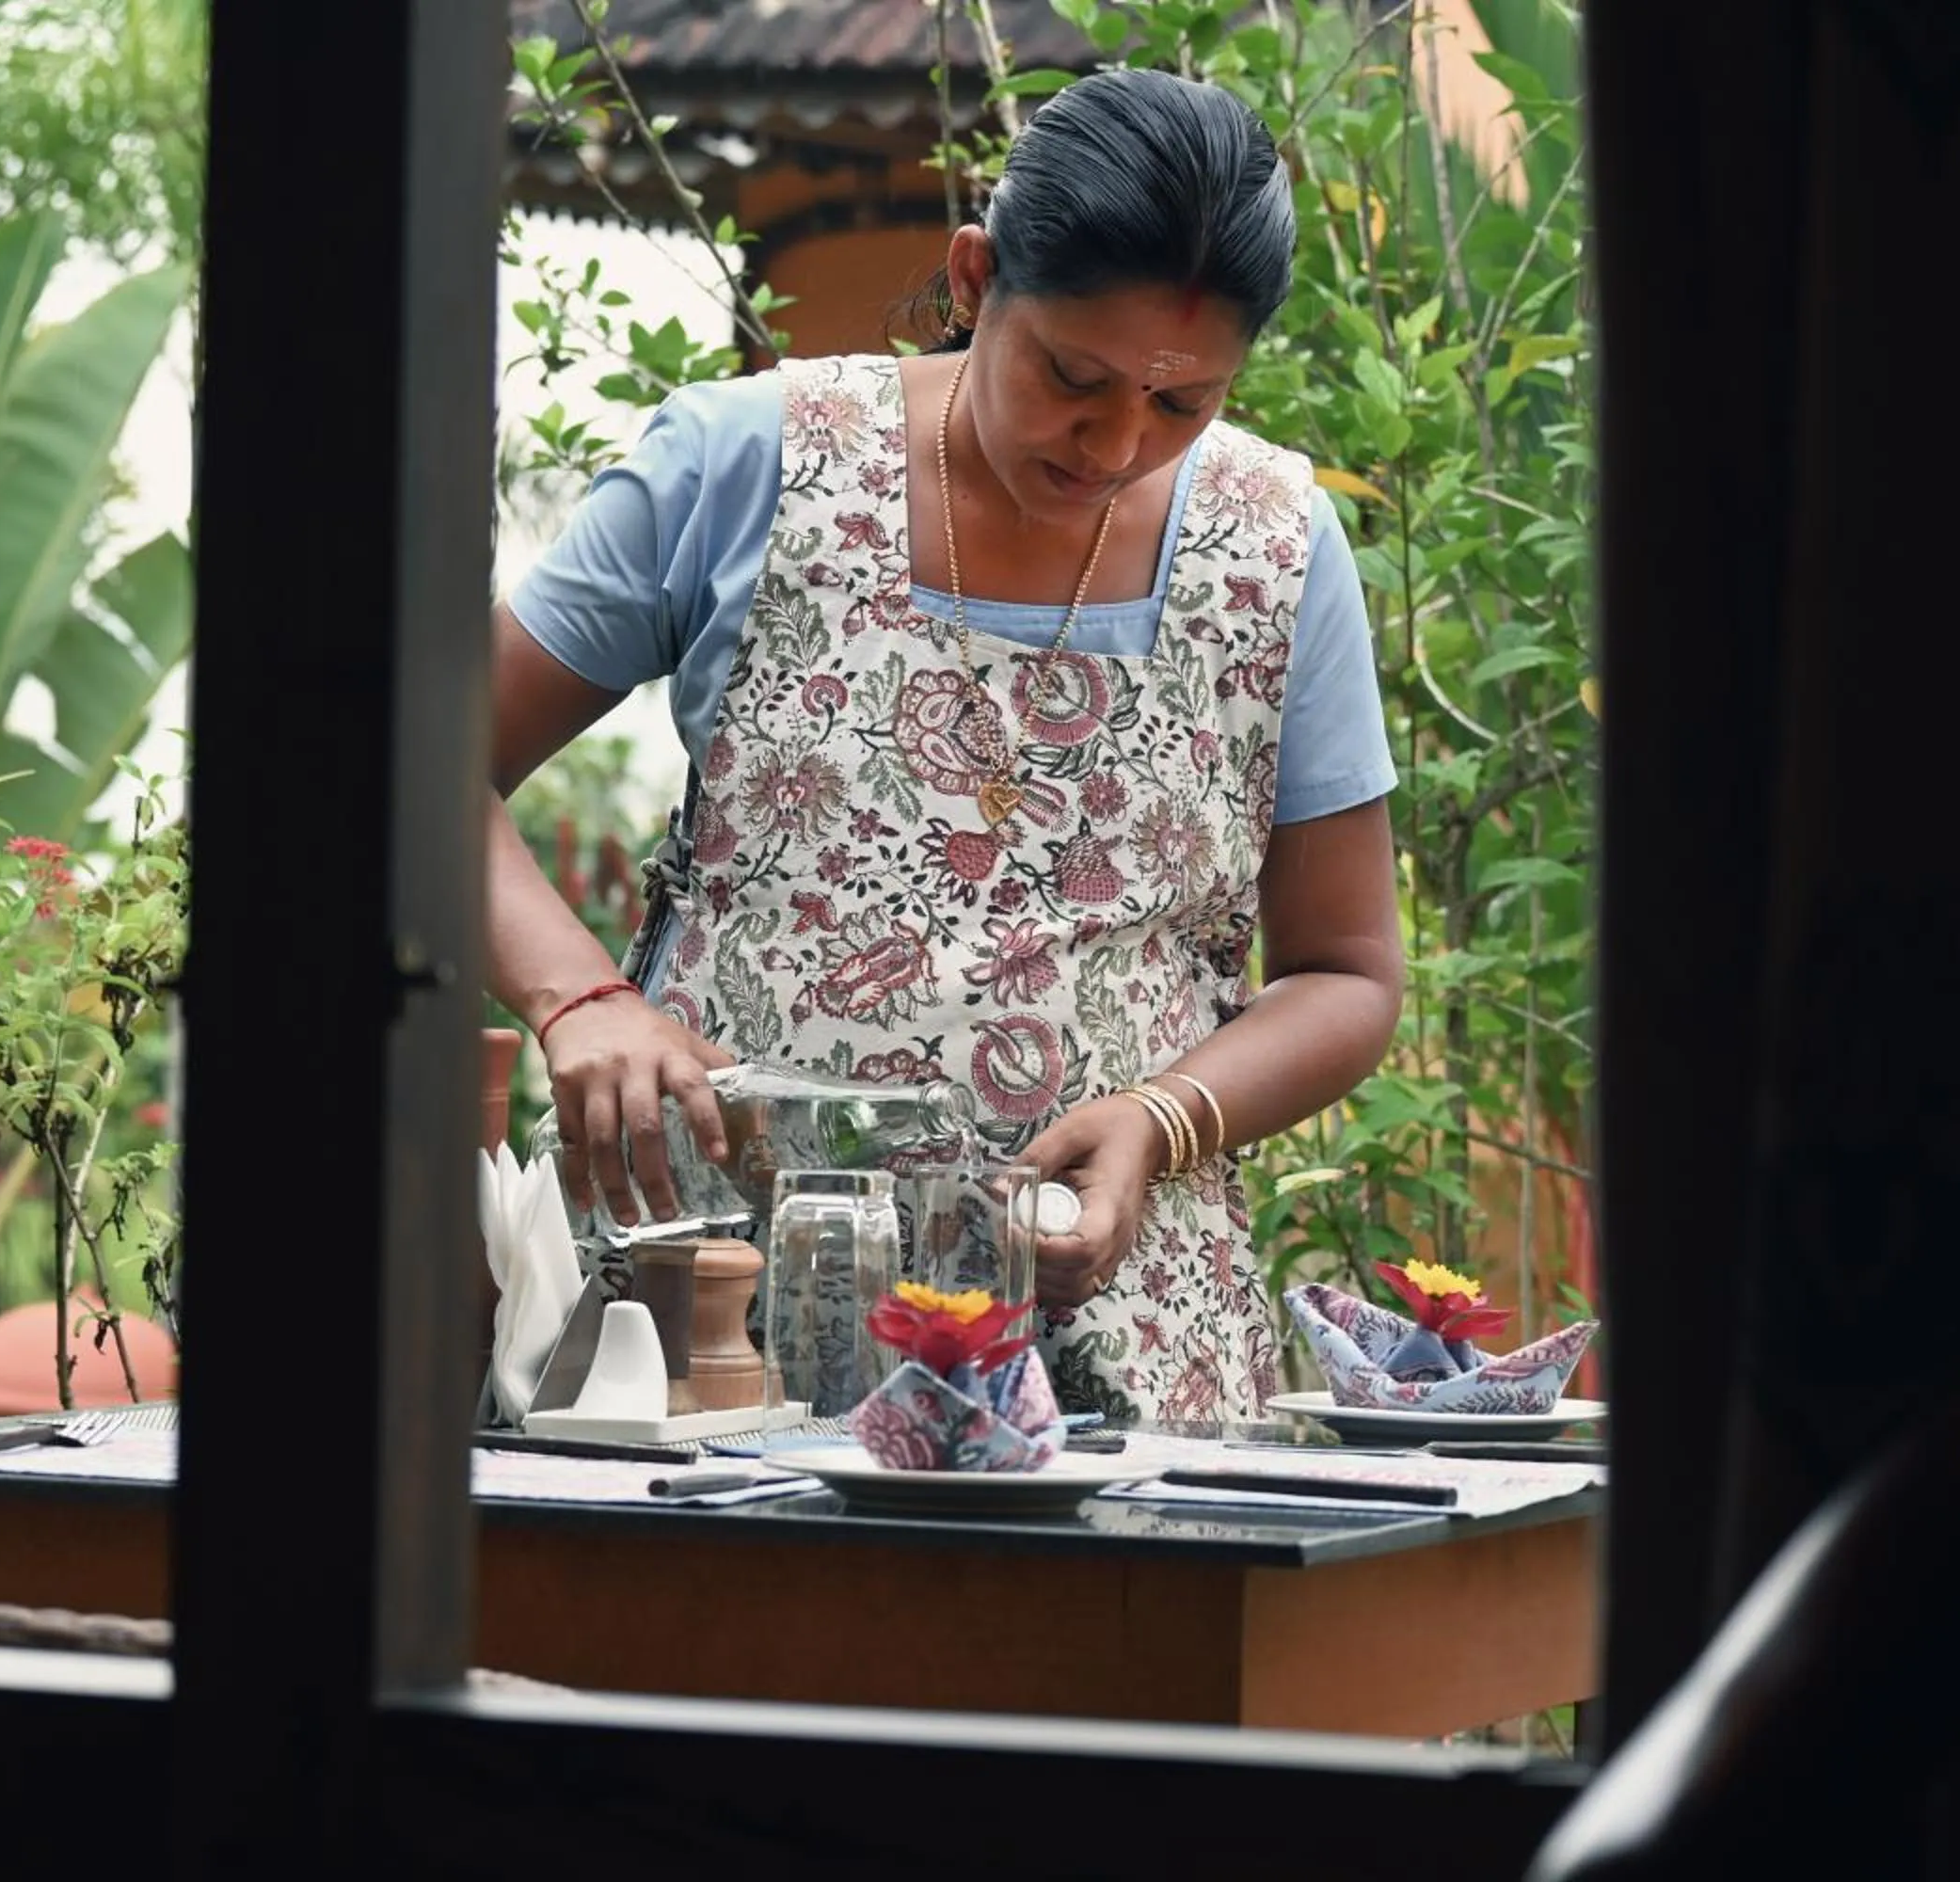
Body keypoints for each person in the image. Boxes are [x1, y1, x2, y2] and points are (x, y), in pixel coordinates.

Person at [485, 68, 1403, 1424]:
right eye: (1073, 378)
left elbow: (1347, 973)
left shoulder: (1276, 547)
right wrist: (579, 997)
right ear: (977, 278)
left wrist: (1163, 1121)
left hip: (1126, 1347)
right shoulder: (741, 465)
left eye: (1181, 404)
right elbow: (415, 764)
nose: (1114, 443)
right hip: (721, 1333)